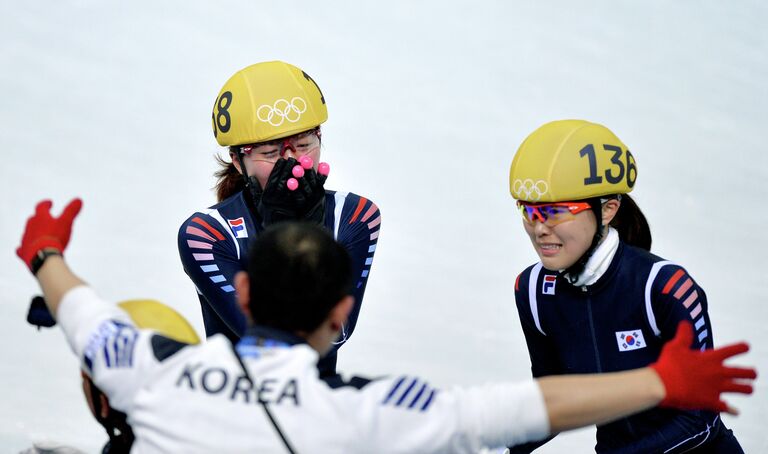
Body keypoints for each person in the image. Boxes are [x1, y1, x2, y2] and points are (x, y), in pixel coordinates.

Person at [16, 199, 756, 453]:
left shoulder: (150, 370)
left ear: (240, 289)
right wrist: (662, 379)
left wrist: (45, 251)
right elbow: (523, 410)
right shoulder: (360, 417)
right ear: (341, 316)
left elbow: (85, 313)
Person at [508, 119, 747, 452]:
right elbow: (552, 400)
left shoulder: (664, 288)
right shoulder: (532, 291)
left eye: (556, 211)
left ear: (607, 209)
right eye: (528, 210)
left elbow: (699, 418)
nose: (538, 228)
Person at [178, 61, 381, 377]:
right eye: (271, 153)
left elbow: (335, 335)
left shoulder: (357, 217)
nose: (291, 163)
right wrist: (281, 242)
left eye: (303, 145)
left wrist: (310, 239)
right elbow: (268, 350)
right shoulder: (205, 234)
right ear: (237, 160)